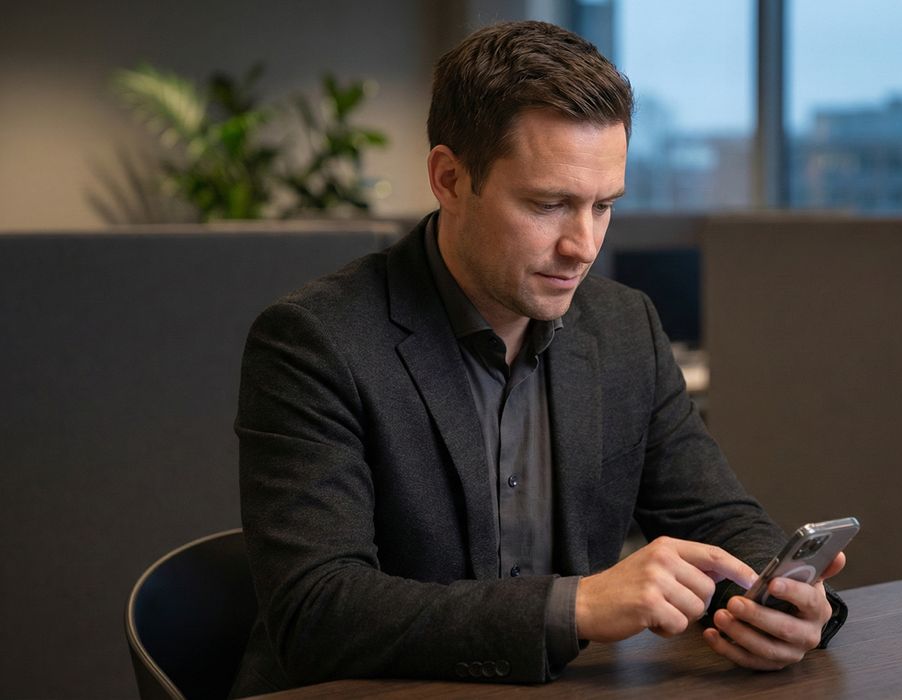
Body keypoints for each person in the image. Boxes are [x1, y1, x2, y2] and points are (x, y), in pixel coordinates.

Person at [229, 20, 846, 696]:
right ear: (449, 178)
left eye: (603, 206)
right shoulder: (315, 340)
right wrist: (576, 605)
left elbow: (716, 518)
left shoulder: (622, 326)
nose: (583, 245)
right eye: (549, 204)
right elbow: (317, 613)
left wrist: (784, 599)